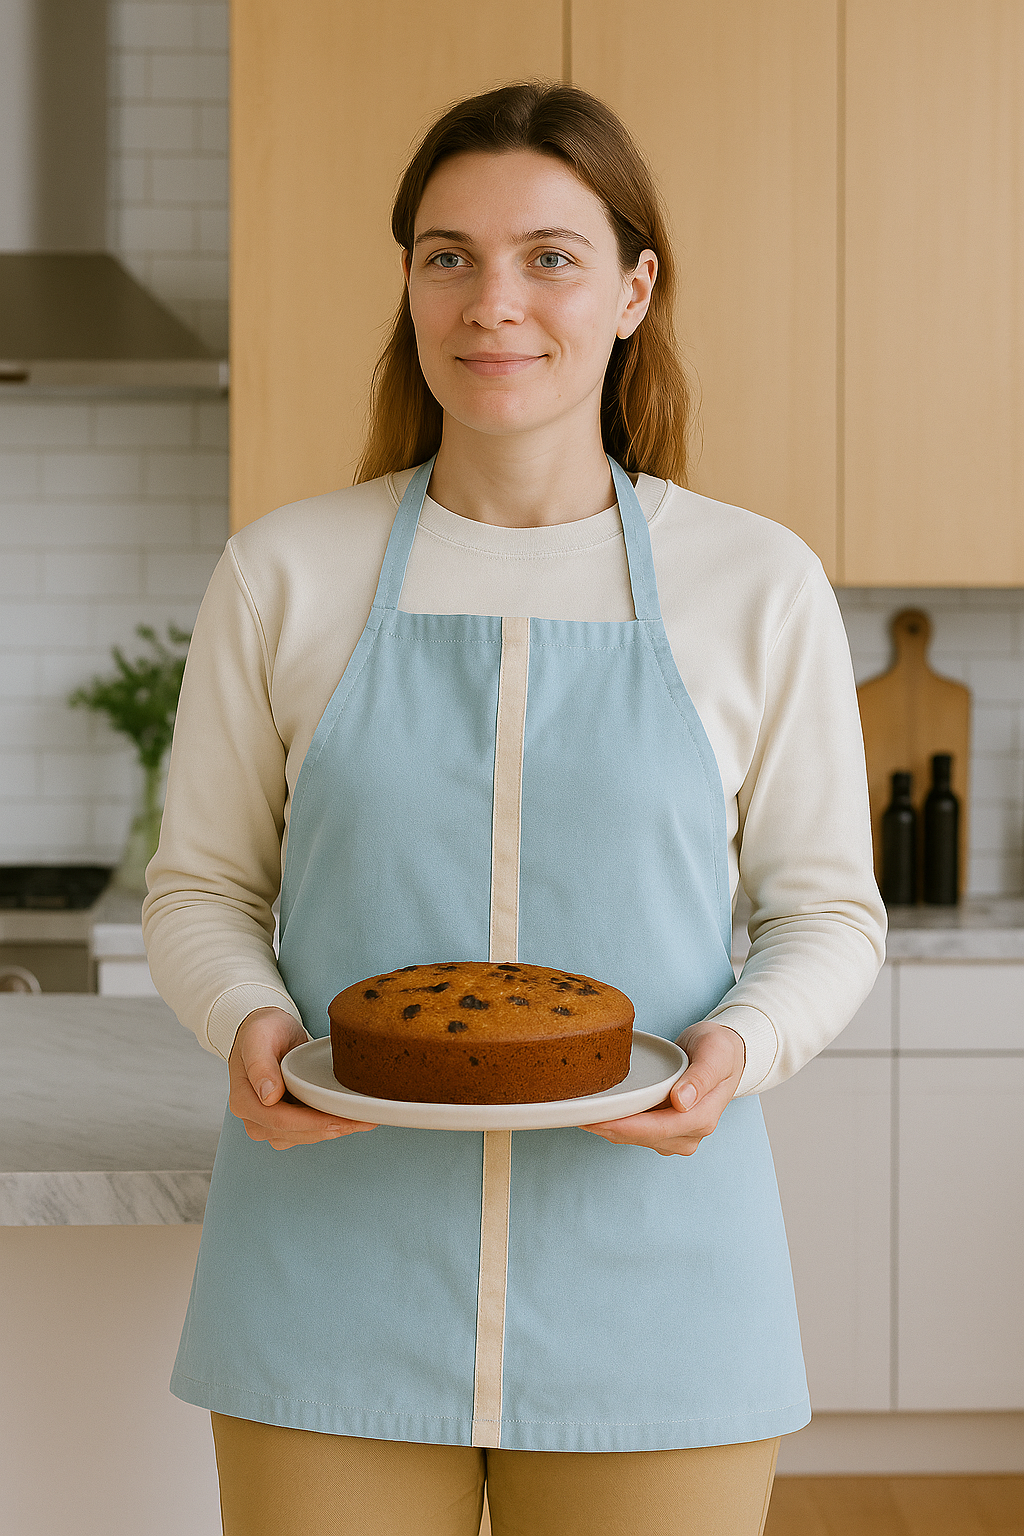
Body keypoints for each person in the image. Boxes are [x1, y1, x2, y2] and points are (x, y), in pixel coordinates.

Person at [143, 80, 886, 1536]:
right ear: (410, 283)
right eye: (448, 255)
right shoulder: (282, 573)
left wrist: (738, 1046)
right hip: (326, 1269)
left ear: (633, 288)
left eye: (550, 256)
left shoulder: (757, 583)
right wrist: (251, 1024)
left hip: (657, 1275)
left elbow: (825, 914)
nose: (495, 302)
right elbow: (203, 893)